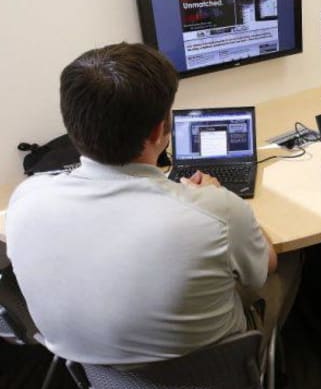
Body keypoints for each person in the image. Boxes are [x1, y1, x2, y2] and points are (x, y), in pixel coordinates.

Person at [6, 43, 300, 365]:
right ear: (161, 130)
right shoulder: (217, 212)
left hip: (98, 376)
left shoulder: (25, 199)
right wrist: (219, 200)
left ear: (72, 126)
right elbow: (265, 267)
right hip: (212, 376)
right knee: (292, 261)